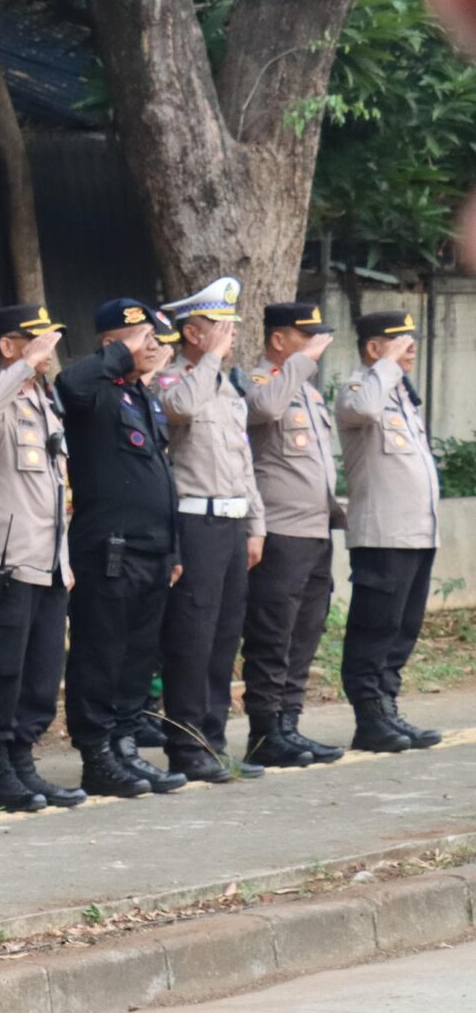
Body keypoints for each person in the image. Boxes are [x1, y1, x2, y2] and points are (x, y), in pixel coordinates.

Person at [58, 300, 190, 798]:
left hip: (152, 548)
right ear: (112, 345)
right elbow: (69, 385)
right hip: (109, 548)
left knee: (138, 656)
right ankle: (98, 755)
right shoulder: (95, 391)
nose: (153, 347)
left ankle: (126, 746)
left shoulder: (144, 396)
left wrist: (173, 549)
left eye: (156, 340)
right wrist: (119, 354)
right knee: (101, 653)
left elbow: (160, 476)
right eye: (142, 339)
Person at [0, 304, 83, 811]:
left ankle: (24, 761)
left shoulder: (43, 400)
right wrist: (19, 365)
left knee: (40, 672)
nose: (47, 351)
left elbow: (57, 487)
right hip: (5, 559)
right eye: (35, 341)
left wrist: (65, 558)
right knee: (1, 671)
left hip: (48, 560)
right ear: (9, 345)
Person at [149, 278, 267, 782]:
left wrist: (256, 524)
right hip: (194, 520)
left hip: (233, 521)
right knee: (192, 637)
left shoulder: (227, 388)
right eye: (220, 327)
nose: (229, 336)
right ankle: (186, 744)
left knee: (223, 637)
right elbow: (180, 411)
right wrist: (210, 360)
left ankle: (214, 742)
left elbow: (244, 461)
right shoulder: (173, 381)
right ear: (193, 333)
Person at [241, 302, 349, 767]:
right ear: (279, 340)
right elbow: (263, 410)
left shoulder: (308, 393)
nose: (317, 347)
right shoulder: (260, 381)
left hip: (315, 529)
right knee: (273, 634)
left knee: (304, 632)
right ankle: (265, 732)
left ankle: (289, 724)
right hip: (280, 530)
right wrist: (301, 363)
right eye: (308, 338)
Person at [335, 311, 446, 753]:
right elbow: (361, 409)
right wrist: (387, 365)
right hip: (382, 535)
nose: (410, 348)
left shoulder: (401, 396)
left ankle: (387, 708)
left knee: (403, 628)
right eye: (398, 341)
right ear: (373, 348)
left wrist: (393, 369)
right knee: (374, 627)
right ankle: (369, 718)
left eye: (411, 340)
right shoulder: (360, 389)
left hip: (417, 534)